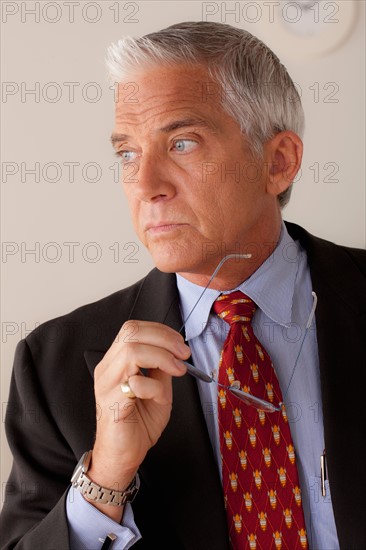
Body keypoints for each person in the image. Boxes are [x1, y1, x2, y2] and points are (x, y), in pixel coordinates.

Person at [0, 21, 365, 550]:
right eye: (127, 154)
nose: (146, 185)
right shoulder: (51, 365)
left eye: (183, 143)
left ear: (279, 162)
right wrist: (107, 476)